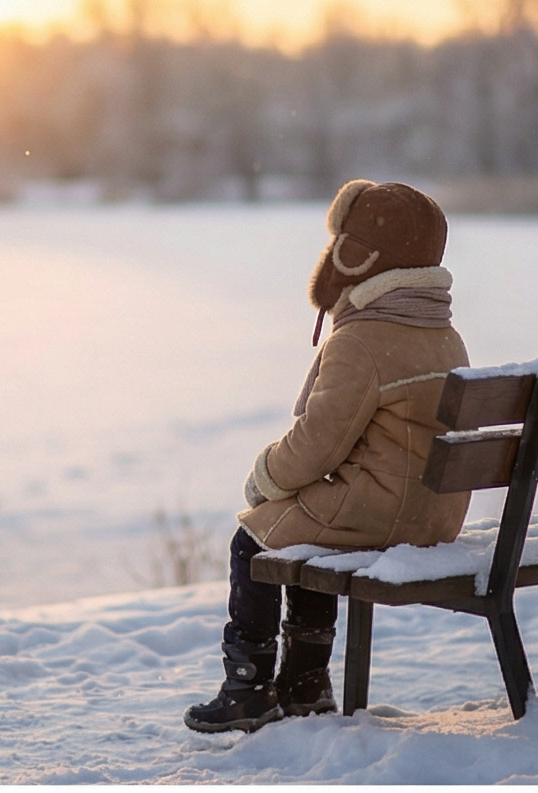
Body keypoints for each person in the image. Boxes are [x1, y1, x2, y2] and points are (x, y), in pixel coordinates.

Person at [186, 180, 467, 733]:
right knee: (307, 533)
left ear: (355, 257)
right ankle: (304, 683)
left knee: (255, 539)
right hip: (435, 511)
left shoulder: (364, 339)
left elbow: (318, 442)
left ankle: (248, 686)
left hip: (383, 510)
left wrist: (266, 477)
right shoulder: (441, 331)